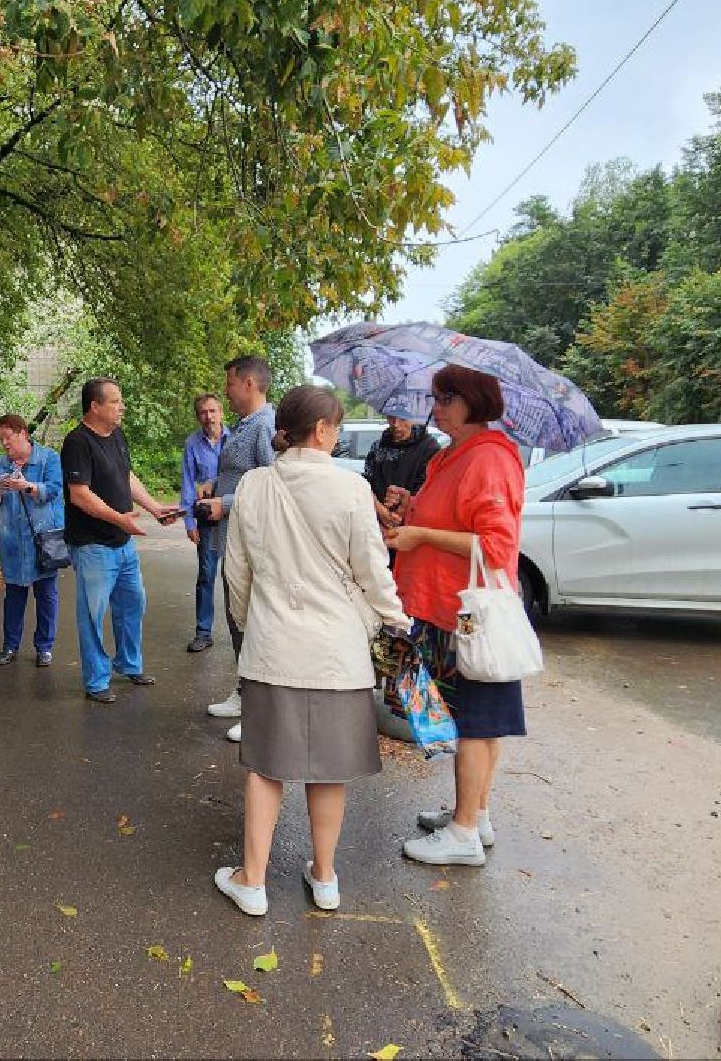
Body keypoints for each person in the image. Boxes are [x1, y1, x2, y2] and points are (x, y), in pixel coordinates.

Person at [212, 386, 410, 915]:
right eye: (338, 427)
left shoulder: (254, 486)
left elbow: (237, 572)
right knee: (328, 769)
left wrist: (250, 623)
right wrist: (396, 621)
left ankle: (251, 881)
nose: (338, 435)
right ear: (322, 430)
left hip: (273, 647)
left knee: (266, 768)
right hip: (336, 654)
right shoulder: (350, 490)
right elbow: (373, 571)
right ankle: (324, 878)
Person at [386, 365, 527, 868]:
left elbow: (495, 544)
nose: (434, 406)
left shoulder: (487, 459)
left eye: (446, 397)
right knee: (478, 721)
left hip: (467, 613)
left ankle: (464, 832)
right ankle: (476, 814)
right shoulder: (453, 456)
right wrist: (411, 509)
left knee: (475, 723)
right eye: (435, 397)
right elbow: (451, 518)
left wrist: (421, 537)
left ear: (472, 401)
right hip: (446, 607)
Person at [61, 377, 182, 704]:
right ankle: (96, 680)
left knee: (133, 604)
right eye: (115, 401)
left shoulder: (115, 435)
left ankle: (129, 664)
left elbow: (126, 476)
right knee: (93, 614)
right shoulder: (77, 443)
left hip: (122, 544)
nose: (121, 406)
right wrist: (121, 519)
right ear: (95, 406)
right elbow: (80, 495)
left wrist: (154, 508)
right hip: (92, 545)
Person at [192, 355, 277, 740]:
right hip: (232, 538)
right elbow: (242, 475)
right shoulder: (245, 425)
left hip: (254, 542)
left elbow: (274, 485)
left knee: (254, 623)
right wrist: (214, 484)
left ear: (248, 384)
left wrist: (223, 503)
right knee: (236, 618)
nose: (225, 390)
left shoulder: (267, 425)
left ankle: (262, 712)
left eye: (229, 383)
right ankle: (245, 693)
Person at [0, 414, 64, 667]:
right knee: (14, 595)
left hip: (43, 538)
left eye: (7, 437)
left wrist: (27, 486)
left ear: (23, 433)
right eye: (0, 439)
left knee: (47, 594)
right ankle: (10, 646)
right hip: (13, 542)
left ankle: (44, 647)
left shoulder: (48, 457)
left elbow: (54, 490)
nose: (4, 443)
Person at [180, 394, 229, 653]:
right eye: (203, 412)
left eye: (212, 411)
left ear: (221, 412)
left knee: (236, 576)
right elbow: (188, 484)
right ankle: (203, 632)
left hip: (233, 517)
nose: (208, 417)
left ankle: (242, 630)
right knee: (206, 576)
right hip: (207, 519)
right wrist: (189, 521)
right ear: (198, 416)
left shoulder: (235, 440)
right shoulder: (192, 444)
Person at [363, 413, 442, 529]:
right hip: (378, 521)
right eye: (391, 417)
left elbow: (429, 488)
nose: (396, 424)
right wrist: (380, 509)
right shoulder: (378, 446)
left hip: (414, 523)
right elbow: (366, 483)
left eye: (402, 418)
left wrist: (403, 505)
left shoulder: (429, 447)